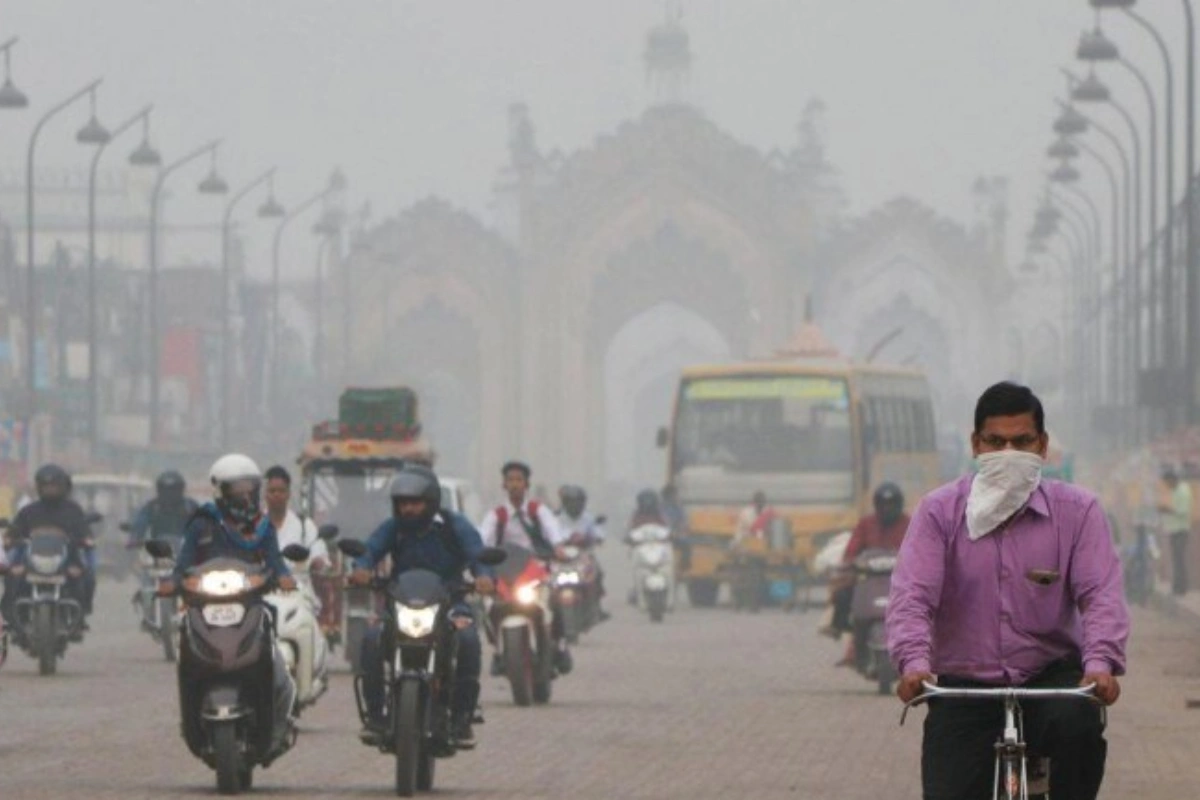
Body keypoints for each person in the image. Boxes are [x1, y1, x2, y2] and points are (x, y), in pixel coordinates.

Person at [888, 381, 1128, 800]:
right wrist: (913, 663)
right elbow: (913, 596)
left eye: (1021, 442)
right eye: (995, 442)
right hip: (964, 686)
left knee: (1081, 731)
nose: (1008, 453)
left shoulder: (1078, 512)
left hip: (1050, 678)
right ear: (976, 445)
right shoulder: (939, 512)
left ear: (1042, 446)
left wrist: (1101, 663)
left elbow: (1100, 594)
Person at [161, 454, 297, 760]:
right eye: (237, 489)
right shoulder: (202, 523)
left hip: (250, 603)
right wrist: (174, 581)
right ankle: (191, 712)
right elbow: (183, 564)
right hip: (204, 605)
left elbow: (275, 561)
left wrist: (283, 577)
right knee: (186, 646)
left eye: (250, 488)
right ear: (221, 491)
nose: (244, 495)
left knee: (274, 654)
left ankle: (276, 714)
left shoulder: (263, 527)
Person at [350, 463, 494, 749]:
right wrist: (361, 568)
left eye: (415, 502)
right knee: (371, 637)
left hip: (450, 604)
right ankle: (376, 716)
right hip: (400, 606)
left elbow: (478, 556)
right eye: (403, 503)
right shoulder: (393, 528)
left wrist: (484, 577)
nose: (408, 509)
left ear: (431, 502)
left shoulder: (455, 525)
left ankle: (462, 716)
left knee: (466, 637)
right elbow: (369, 551)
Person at [478, 461, 570, 673]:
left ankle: (560, 645)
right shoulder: (496, 515)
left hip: (535, 570)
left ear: (527, 484)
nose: (515, 485)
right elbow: (484, 540)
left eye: (519, 480)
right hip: (505, 574)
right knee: (488, 606)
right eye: (510, 480)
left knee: (554, 600)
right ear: (504, 484)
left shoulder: (538, 511)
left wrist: (558, 548)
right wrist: (478, 556)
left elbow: (553, 532)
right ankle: (498, 650)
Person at [1, 464, 94, 631]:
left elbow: (84, 530)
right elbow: (15, 529)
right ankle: (12, 616)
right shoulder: (29, 511)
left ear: (63, 487)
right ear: (39, 487)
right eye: (46, 486)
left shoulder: (73, 510)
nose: (49, 490)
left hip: (67, 558)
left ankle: (80, 615)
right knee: (12, 575)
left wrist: (86, 539)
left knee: (87, 576)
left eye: (53, 486)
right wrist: (9, 539)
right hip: (32, 559)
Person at [830, 482, 909, 667]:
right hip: (868, 579)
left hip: (902, 580)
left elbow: (921, 549)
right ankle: (844, 627)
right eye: (883, 504)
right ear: (876, 505)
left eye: (891, 504)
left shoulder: (909, 523)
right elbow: (851, 551)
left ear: (899, 504)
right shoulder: (866, 524)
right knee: (842, 593)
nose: (887, 508)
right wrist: (850, 563)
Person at [557, 484, 609, 621]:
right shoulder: (557, 518)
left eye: (577, 501)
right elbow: (550, 533)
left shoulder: (588, 518)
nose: (574, 505)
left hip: (583, 554)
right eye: (571, 501)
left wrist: (596, 538)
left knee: (597, 573)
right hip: (562, 555)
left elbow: (597, 532)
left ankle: (597, 606)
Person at [129, 470, 199, 545]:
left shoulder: (190, 506)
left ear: (181, 489)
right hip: (157, 550)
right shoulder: (152, 506)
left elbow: (203, 523)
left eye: (173, 490)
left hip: (185, 550)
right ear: (159, 490)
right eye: (166, 490)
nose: (169, 494)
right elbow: (141, 521)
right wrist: (136, 537)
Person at [1157, 465, 1192, 596]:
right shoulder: (1172, 490)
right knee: (1176, 559)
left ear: (1172, 479)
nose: (1166, 484)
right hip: (1173, 530)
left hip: (1181, 530)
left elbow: (1182, 511)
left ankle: (1181, 588)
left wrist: (1167, 509)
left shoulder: (1183, 491)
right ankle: (1177, 587)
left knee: (1179, 559)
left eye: (1167, 481)